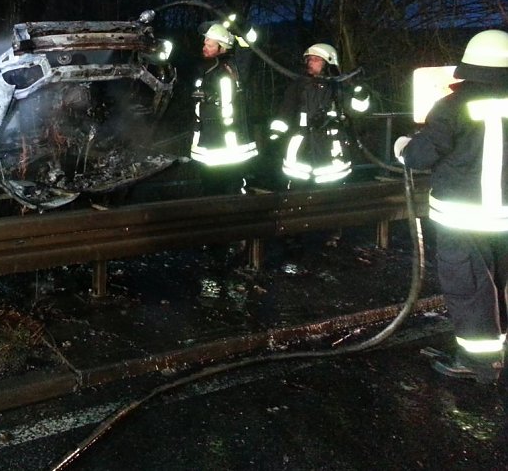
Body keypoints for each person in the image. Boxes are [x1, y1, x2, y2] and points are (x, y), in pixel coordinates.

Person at [394, 29, 508, 385]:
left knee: (469, 286)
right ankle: (498, 346)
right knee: (498, 281)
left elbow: (421, 156)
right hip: (504, 216)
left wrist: (403, 146)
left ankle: (479, 363)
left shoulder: (452, 106)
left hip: (463, 217)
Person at [268, 43, 370, 189]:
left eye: (316, 59)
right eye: (309, 59)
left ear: (329, 62)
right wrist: (276, 134)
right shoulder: (299, 86)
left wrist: (362, 94)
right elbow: (285, 111)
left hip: (330, 154)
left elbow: (357, 111)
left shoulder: (338, 87)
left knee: (331, 195)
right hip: (300, 153)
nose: (311, 62)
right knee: (298, 195)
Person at [190, 23, 258, 195]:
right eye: (205, 44)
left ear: (222, 47)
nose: (204, 48)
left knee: (232, 186)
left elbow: (249, 44)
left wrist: (239, 28)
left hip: (230, 143)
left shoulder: (235, 66)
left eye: (210, 45)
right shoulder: (205, 68)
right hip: (208, 141)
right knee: (210, 187)